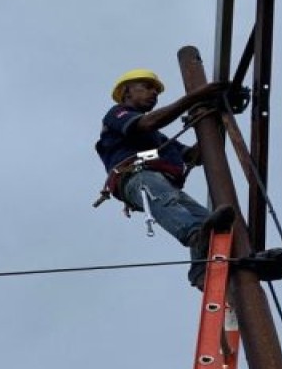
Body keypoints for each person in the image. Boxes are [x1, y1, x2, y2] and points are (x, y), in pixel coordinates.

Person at [95, 68, 234, 289]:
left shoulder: (157, 138)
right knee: (173, 206)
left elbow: (194, 156)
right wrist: (195, 97)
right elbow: (147, 123)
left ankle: (201, 270)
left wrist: (212, 120)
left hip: (162, 183)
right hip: (137, 177)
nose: (154, 94)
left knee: (212, 222)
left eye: (156, 91)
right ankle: (194, 235)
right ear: (127, 92)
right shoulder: (117, 114)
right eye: (147, 87)